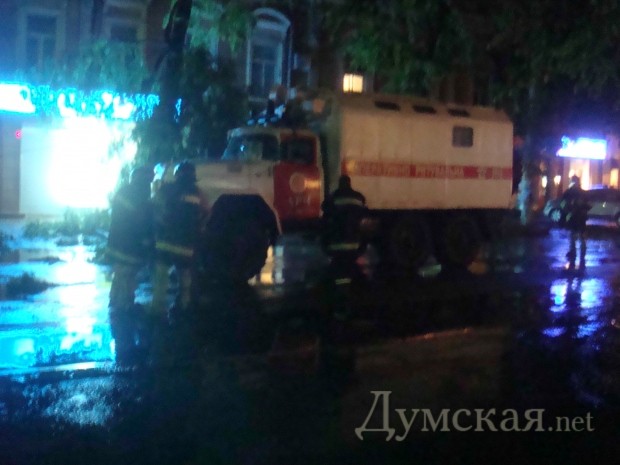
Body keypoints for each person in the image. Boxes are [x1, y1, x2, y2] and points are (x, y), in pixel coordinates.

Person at [106, 166, 154, 363]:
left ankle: (117, 302)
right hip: (130, 246)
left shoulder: (124, 191)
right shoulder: (140, 197)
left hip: (117, 242)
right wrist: (148, 242)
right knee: (127, 274)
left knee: (121, 274)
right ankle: (123, 305)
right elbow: (142, 223)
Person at [151, 160, 209, 320]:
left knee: (161, 279)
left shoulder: (166, 189)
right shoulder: (198, 193)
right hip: (186, 243)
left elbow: (154, 208)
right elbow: (207, 211)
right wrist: (199, 227)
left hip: (166, 242)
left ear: (177, 175)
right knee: (185, 278)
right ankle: (184, 306)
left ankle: (157, 310)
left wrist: (160, 224)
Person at [321, 175, 367, 261]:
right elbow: (364, 210)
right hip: (353, 238)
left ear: (340, 184)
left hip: (337, 238)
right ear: (349, 184)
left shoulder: (334, 196)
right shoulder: (358, 196)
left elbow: (324, 207)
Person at [560, 175, 591, 269]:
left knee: (573, 238)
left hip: (573, 218)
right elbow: (588, 206)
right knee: (581, 238)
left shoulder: (568, 192)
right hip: (580, 219)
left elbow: (563, 205)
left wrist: (567, 212)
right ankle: (581, 255)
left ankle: (573, 255)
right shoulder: (582, 193)